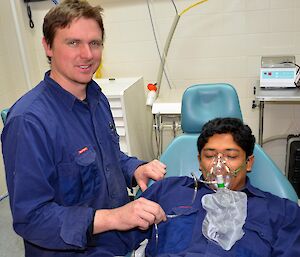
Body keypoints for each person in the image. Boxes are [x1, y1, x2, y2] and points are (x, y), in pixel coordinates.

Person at [1, 1, 167, 256]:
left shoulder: (96, 97)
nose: (88, 55)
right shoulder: (29, 122)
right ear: (48, 46)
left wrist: (135, 169)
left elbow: (107, 159)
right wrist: (113, 218)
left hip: (119, 241)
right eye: (73, 43)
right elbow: (31, 218)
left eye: (95, 43)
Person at [119, 117, 300, 256]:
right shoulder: (166, 191)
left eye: (231, 156)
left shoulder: (282, 212)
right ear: (199, 161)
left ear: (249, 162)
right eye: (210, 156)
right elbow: (116, 240)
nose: (219, 165)